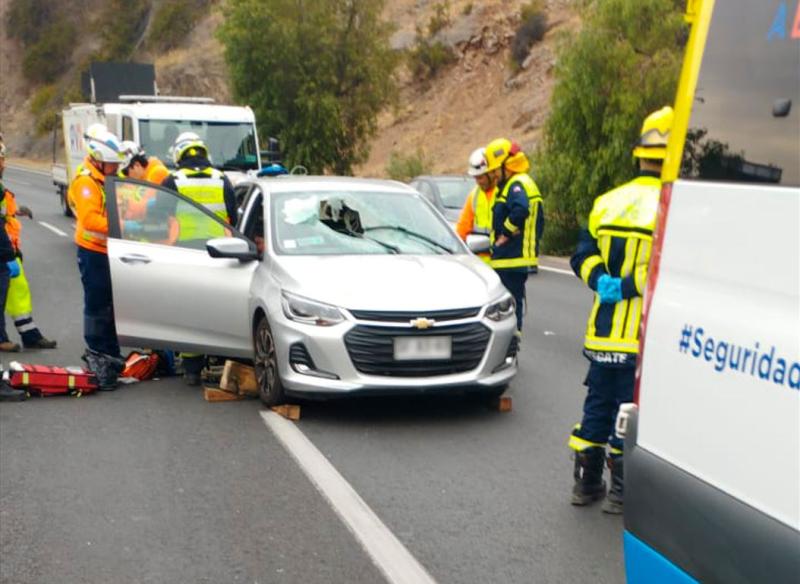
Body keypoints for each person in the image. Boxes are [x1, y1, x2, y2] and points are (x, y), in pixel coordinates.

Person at [567, 106, 674, 514]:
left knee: (597, 406)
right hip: (641, 339)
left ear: (640, 153)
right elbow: (664, 270)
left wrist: (602, 283)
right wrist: (631, 287)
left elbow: (581, 255)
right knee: (629, 412)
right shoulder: (670, 207)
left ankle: (585, 484)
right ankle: (620, 493)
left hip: (602, 332)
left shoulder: (607, 202)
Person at [161, 132, 237, 386]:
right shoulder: (222, 179)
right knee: (218, 305)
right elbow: (234, 219)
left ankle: (192, 369)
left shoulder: (173, 181)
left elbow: (159, 218)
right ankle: (222, 359)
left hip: (186, 253)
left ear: (178, 155)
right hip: (220, 253)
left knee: (188, 309)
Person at [69, 123, 127, 390]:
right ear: (98, 160)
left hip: (110, 251)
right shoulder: (86, 182)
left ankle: (111, 356)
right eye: (112, 164)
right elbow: (91, 219)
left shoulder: (108, 179)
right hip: (93, 252)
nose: (116, 168)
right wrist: (124, 226)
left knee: (111, 305)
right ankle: (97, 356)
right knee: (97, 305)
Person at [482, 138, 545, 333]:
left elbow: (521, 210)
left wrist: (505, 234)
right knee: (511, 304)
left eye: (494, 170)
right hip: (513, 259)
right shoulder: (520, 182)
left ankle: (511, 341)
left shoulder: (516, 184)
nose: (493, 175)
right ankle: (512, 339)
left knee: (507, 307)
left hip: (512, 259)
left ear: (506, 166)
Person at [0, 140, 58, 351]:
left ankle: (30, 335)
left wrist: (16, 212)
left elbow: (3, 212)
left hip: (8, 250)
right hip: (4, 251)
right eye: (1, 159)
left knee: (19, 295)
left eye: (3, 159)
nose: (4, 164)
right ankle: (1, 339)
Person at [455, 148, 497, 262]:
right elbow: (462, 228)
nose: (478, 181)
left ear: (491, 173)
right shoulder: (474, 195)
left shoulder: (504, 192)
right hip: (480, 262)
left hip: (502, 259)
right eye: (476, 178)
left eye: (480, 177)